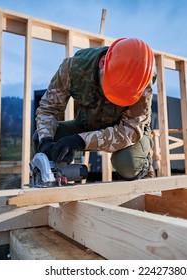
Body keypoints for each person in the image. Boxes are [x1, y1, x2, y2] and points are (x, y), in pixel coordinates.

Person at [34, 38, 156, 180]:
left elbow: (131, 130)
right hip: (86, 125)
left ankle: (143, 168)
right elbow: (49, 109)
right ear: (103, 63)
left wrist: (80, 140)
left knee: (128, 164)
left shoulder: (142, 83)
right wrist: (46, 141)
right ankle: (55, 179)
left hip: (125, 132)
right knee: (42, 137)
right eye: (112, 90)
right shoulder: (72, 68)